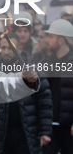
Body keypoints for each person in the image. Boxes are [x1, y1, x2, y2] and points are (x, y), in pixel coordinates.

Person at [0, 33, 52, 154]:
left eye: (10, 48)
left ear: (19, 49)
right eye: (3, 48)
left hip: (26, 132)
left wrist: (45, 131)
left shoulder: (33, 72)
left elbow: (44, 103)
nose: (6, 52)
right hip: (2, 134)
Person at [42, 19, 73, 154]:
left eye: (51, 36)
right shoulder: (46, 62)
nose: (47, 40)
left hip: (69, 129)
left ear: (61, 40)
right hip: (50, 128)